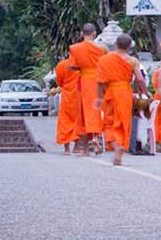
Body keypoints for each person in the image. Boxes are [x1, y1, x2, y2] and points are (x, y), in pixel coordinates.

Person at [94, 34, 145, 167]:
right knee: (123, 122)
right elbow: (139, 79)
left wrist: (99, 98)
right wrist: (146, 93)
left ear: (116, 45)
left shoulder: (104, 60)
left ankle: (116, 146)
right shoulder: (132, 60)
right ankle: (121, 145)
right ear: (129, 47)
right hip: (125, 93)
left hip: (111, 92)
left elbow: (100, 82)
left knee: (109, 123)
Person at [68, 25, 106, 156]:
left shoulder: (75, 48)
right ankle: (96, 136)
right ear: (94, 34)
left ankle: (85, 150)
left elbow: (72, 67)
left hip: (83, 81)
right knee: (96, 110)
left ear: (81, 33)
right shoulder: (101, 48)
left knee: (83, 114)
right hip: (98, 82)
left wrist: (82, 66)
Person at [51, 56, 81, 154]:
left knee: (65, 121)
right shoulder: (81, 65)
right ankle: (76, 147)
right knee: (78, 120)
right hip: (79, 94)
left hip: (67, 95)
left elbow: (59, 82)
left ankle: (66, 149)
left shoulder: (62, 65)